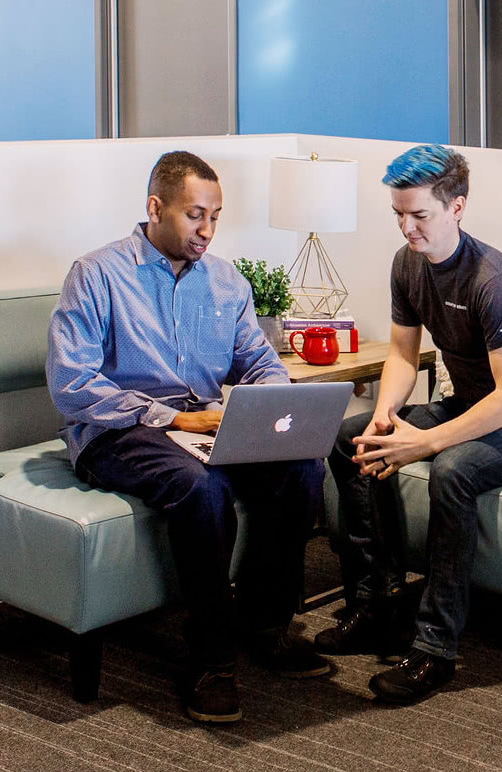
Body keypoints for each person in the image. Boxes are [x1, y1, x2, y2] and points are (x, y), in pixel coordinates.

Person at [46, 150, 328, 724]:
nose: (207, 230)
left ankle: (266, 623)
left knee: (303, 468)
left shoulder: (226, 281)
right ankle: (212, 659)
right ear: (155, 207)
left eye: (216, 216)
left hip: (204, 423)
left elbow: (256, 358)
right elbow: (72, 384)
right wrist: (174, 419)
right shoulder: (97, 274)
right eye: (195, 215)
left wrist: (270, 404)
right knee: (201, 488)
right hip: (119, 430)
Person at [314, 144, 502, 704]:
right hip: (470, 405)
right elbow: (404, 357)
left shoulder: (492, 281)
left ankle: (435, 649)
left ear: (457, 206)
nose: (407, 228)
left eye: (419, 215)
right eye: (398, 215)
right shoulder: (408, 265)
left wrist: (422, 442)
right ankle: (372, 604)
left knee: (453, 469)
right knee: (349, 437)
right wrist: (386, 413)